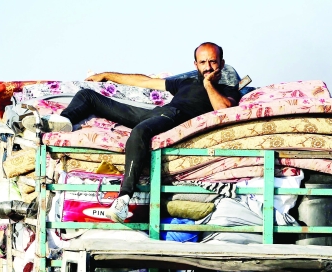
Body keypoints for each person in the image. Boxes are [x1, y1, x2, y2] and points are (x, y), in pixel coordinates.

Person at [42, 42, 239, 223]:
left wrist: (208, 84)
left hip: (174, 119)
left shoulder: (227, 88)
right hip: (157, 113)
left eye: (212, 61)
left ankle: (123, 199)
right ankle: (64, 120)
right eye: (203, 62)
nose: (207, 67)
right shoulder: (185, 82)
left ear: (221, 62)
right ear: (195, 64)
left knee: (139, 132)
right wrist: (107, 75)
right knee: (87, 95)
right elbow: (145, 82)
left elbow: (222, 110)